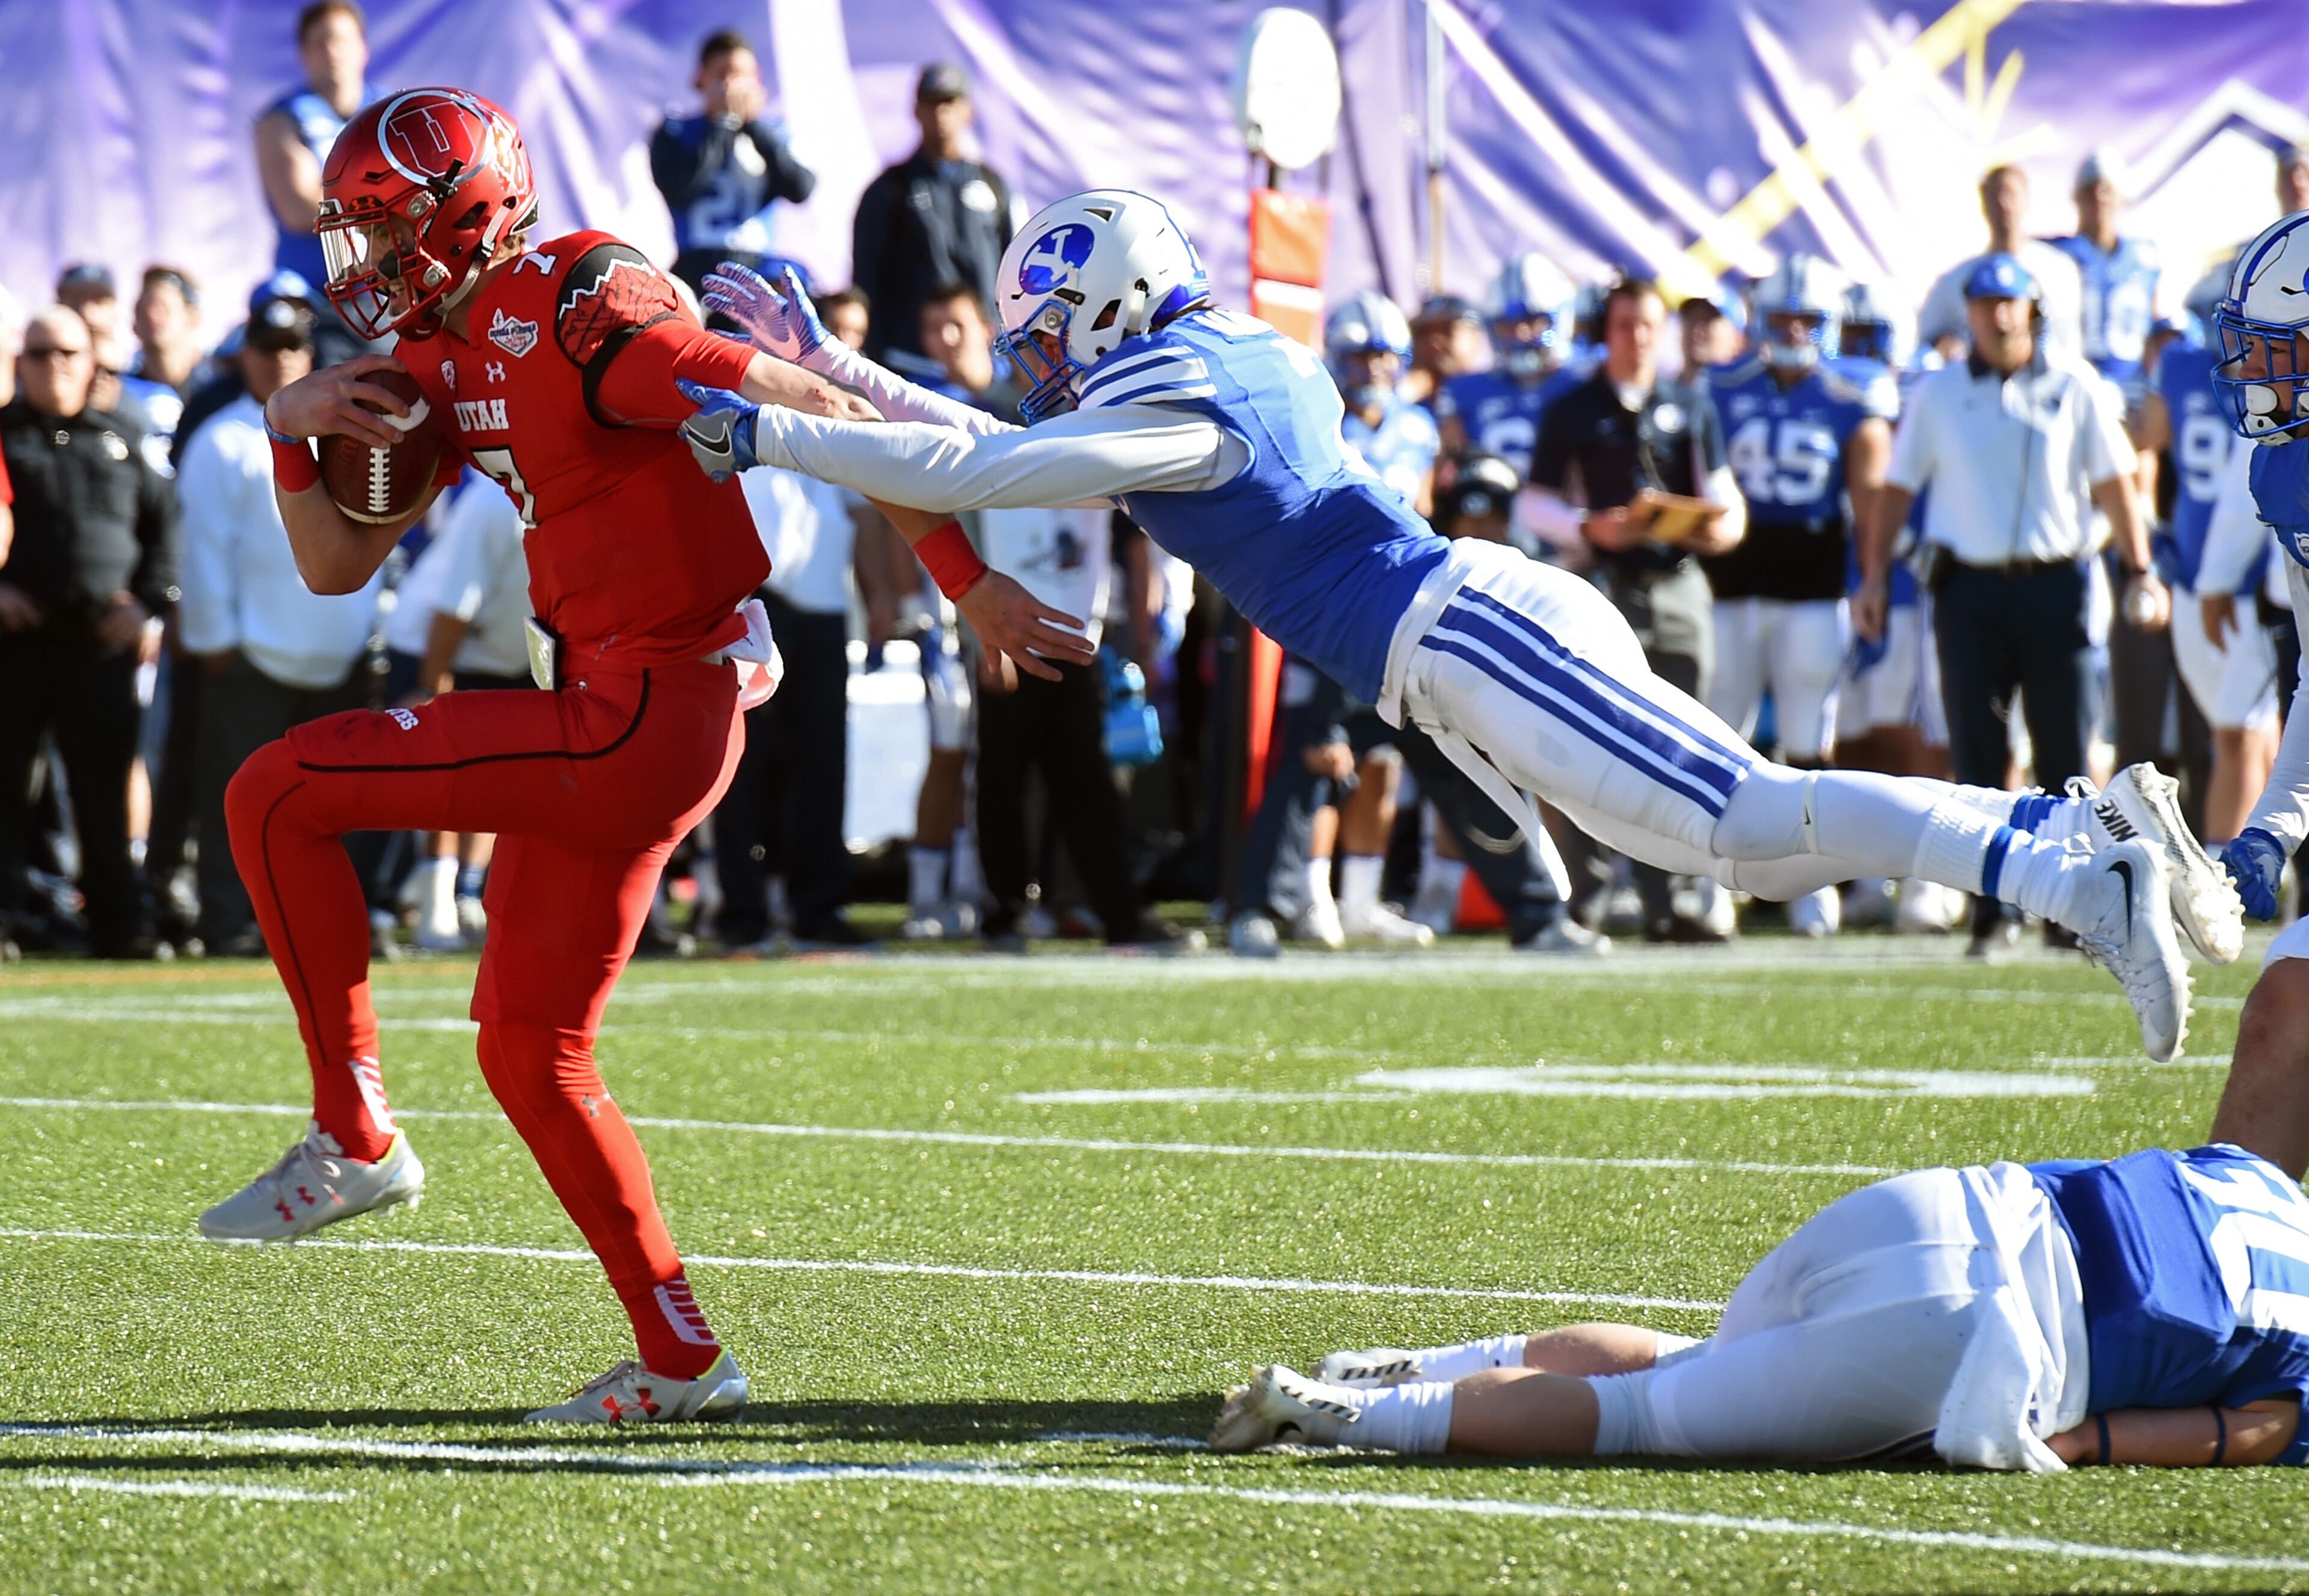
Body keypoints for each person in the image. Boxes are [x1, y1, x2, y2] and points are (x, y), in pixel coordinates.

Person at [687, 191, 2230, 1061]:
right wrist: (835, 364)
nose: (1033, 360)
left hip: (1464, 630)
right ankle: (2076, 832)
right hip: (1464, 634)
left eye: (1044, 335)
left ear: (1104, 309)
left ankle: (2059, 860)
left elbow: (982, 466)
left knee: (1745, 822)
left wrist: (766, 432)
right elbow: (977, 436)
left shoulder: (1187, 406)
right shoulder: (1208, 352)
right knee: (1734, 843)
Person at [191, 88, 932, 1427]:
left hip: (642, 717)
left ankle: (354, 1137)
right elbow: (332, 565)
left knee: (272, 790)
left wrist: (961, 572)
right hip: (617, 700)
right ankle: (684, 1353)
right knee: (530, 1051)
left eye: (381, 225)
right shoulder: (443, 342)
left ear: (464, 209)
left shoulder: (582, 303)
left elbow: (805, 404)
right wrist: (291, 422)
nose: (362, 260)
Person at [1209, 1140, 2309, 1473]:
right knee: (1647, 1419)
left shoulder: (2264, 1179)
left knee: (1692, 1358)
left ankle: (1390, 1364)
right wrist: (2083, 1442)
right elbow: (2239, 1430)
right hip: (1974, 1332)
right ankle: (1335, 1409)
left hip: (1929, 1203)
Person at [1859, 254, 2170, 959]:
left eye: (2010, 302)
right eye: (1984, 303)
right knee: (1977, 753)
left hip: (2055, 581)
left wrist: (2140, 566)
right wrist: (1874, 576)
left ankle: (2074, 910)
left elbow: (2117, 482)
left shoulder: (2075, 383)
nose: (1998, 315)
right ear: (1966, 312)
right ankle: (1993, 911)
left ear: (2034, 308)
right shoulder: (1939, 394)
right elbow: (1898, 489)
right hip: (1968, 588)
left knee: (2067, 751)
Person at [1526, 276, 1745, 943]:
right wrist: (1590, 527)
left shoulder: (1690, 402)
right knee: (1591, 740)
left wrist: (1714, 528)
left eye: (1649, 325)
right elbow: (1534, 504)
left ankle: (1668, 895)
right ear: (1606, 331)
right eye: (1625, 326)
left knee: (1684, 744)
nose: (1638, 338)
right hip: (1602, 583)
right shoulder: (1573, 407)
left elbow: (1728, 503)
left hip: (1676, 581)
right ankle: (1587, 891)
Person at [176, 295, 384, 957]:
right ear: (246, 356)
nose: (284, 359)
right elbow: (202, 551)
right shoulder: (223, 441)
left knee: (341, 802)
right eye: (269, 348)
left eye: (295, 347)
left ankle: (329, 921)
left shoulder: (343, 434)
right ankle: (230, 919)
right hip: (254, 654)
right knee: (239, 795)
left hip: (339, 652)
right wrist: (216, 641)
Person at [1702, 254, 1895, 937]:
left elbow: (1870, 499)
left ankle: (1813, 885)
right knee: (1721, 732)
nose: (1792, 329)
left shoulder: (1851, 397)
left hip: (1814, 582)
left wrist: (1870, 577)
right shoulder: (1720, 388)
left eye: (1805, 318)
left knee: (1809, 737)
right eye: (1781, 316)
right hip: (1732, 581)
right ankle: (1711, 884)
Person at [0, 306, 177, 958]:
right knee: (8, 790)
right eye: (41, 354)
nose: (55, 367)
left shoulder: (124, 437)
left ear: (91, 362)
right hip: (16, 647)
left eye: (68, 353)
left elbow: (168, 530)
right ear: (21, 362)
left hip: (100, 647)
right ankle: (8, 923)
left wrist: (150, 605)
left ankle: (119, 926)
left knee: (104, 794)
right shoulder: (3, 437)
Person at [2202, 208, 2309, 1179]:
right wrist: (2275, 825)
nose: (2256, 373)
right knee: (2287, 1011)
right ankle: (2224, 1294)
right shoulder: (2290, 466)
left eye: (2278, 350)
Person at [714, 461, 874, 950]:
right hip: (746, 601)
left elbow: (863, 511)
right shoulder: (728, 393)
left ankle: (819, 908)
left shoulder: (830, 405)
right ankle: (742, 912)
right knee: (742, 762)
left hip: (824, 603)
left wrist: (882, 593)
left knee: (823, 761)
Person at [2137, 335, 2274, 848]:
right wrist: (2151, 532)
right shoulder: (2181, 363)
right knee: (2239, 728)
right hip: (2193, 574)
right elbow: (2141, 446)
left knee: (2239, 731)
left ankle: (2225, 868)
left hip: (2254, 582)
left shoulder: (2284, 369)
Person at [849, 63, 1016, 364]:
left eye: (950, 101)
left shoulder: (993, 185)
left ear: (969, 110)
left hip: (986, 361)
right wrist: (877, 354)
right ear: (916, 111)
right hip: (910, 362)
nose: (941, 112)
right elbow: (865, 279)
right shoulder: (889, 189)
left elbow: (1014, 270)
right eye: (931, 102)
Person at [649, 29, 816, 302]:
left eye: (741, 74)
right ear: (700, 78)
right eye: (722, 74)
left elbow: (801, 189)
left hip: (755, 264)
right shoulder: (676, 132)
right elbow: (681, 188)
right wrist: (722, 124)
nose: (732, 84)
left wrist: (752, 125)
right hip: (696, 265)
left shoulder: (775, 133)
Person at [253, 0, 378, 359]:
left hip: (386, 292)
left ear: (363, 49)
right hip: (314, 300)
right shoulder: (282, 121)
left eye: (341, 39)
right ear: (303, 54)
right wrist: (378, 199)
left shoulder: (389, 111)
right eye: (320, 41)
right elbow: (301, 209)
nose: (332, 51)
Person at [1434, 255, 1577, 489]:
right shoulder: (1464, 390)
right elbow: (1449, 476)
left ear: (1560, 320)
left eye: (1532, 321)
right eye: (1509, 324)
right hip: (1492, 515)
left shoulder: (1585, 380)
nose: (1521, 334)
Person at [1917, 165, 2085, 361]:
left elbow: (2069, 342)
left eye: (2011, 194)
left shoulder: (2058, 270)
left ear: (2027, 200)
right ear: (1984, 205)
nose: (2004, 204)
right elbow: (1928, 338)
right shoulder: (1956, 280)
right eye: (1995, 195)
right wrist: (1946, 344)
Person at [2049, 151, 2165, 399]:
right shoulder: (2057, 255)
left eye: (2107, 189)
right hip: (2073, 392)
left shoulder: (2146, 257)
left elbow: (2156, 323)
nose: (2099, 197)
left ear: (2123, 197)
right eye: (2091, 188)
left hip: (2133, 392)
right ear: (2076, 197)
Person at [1402, 294, 1483, 411]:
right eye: (1424, 333)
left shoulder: (1497, 399)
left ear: (1476, 337)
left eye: (1447, 331)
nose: (1435, 341)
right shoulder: (1405, 406)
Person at [1676, 282, 1746, 375]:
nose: (1697, 330)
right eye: (1692, 318)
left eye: (1708, 320)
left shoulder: (1758, 387)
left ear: (1737, 341)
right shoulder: (1658, 387)